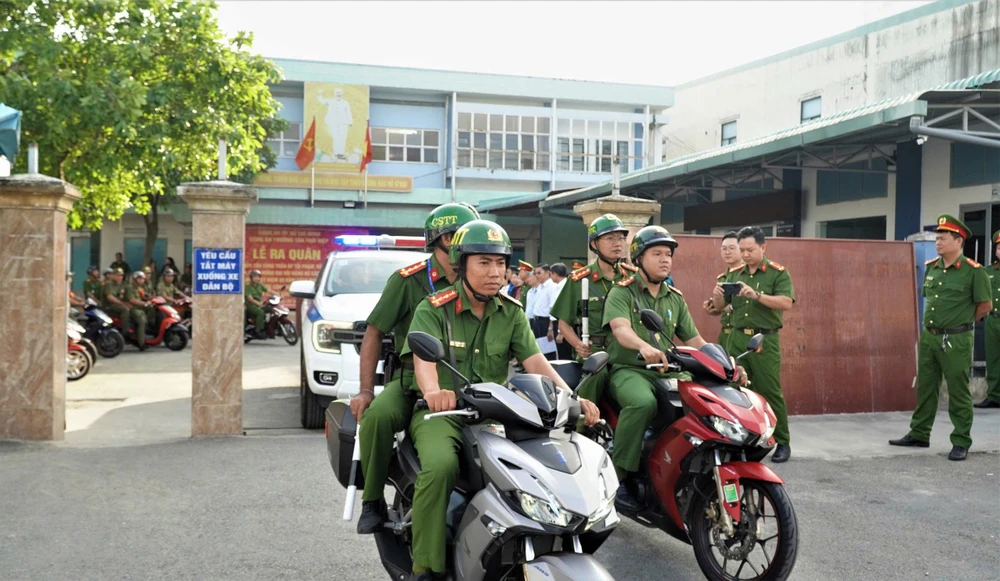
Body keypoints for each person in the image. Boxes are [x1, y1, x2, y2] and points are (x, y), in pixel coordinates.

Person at [399, 219, 600, 580]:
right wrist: (434, 393)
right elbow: (424, 365)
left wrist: (571, 397)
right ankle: (426, 566)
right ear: (461, 265)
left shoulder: (511, 311)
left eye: (500, 263)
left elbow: (535, 361)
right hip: (442, 415)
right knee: (442, 466)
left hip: (495, 413)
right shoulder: (433, 308)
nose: (495, 273)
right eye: (484, 263)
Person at [351, 202, 480, 535]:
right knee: (377, 417)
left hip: (466, 381)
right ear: (436, 240)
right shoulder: (407, 281)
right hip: (411, 379)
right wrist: (366, 389)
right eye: (454, 237)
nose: (462, 244)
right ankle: (372, 499)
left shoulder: (480, 278)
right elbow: (374, 334)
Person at [603, 225, 716, 508]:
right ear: (638, 258)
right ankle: (622, 476)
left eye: (668, 254)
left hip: (670, 369)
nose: (665, 259)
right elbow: (620, 329)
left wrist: (723, 363)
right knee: (642, 404)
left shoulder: (674, 298)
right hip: (631, 369)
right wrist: (642, 346)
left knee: (705, 403)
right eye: (657, 254)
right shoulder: (622, 292)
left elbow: (695, 339)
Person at [890, 215, 992, 460]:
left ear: (959, 241)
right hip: (930, 337)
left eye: (943, 238)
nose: (938, 242)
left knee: (958, 391)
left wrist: (962, 323)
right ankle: (919, 433)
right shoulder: (931, 267)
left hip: (956, 339)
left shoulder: (973, 271)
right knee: (926, 387)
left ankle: (961, 440)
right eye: (936, 238)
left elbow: (985, 306)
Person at [720, 226, 795, 463]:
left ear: (763, 247)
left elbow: (786, 302)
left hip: (764, 340)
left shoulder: (777, 273)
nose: (745, 254)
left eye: (750, 249)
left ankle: (782, 441)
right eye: (741, 250)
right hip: (737, 338)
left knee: (769, 389)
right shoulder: (735, 273)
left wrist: (757, 296)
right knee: (735, 390)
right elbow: (722, 306)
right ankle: (740, 440)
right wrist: (716, 297)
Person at [550, 214, 636, 403]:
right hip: (596, 349)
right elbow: (563, 323)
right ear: (595, 244)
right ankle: (584, 421)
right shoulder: (579, 280)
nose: (618, 243)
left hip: (628, 349)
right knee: (597, 376)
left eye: (621, 238)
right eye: (610, 238)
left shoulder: (633, 278)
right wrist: (578, 345)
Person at [704, 231, 744, 345]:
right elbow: (723, 307)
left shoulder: (748, 275)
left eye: (732, 248)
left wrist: (729, 307)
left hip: (742, 335)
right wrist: (714, 307)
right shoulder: (723, 278)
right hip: (725, 335)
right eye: (724, 248)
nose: (727, 252)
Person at [978, 229, 1000, 409]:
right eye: (999, 247)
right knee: (993, 359)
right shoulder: (988, 271)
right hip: (993, 320)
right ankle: (994, 396)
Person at [530, 264, 558, 359]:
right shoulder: (540, 287)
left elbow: (553, 308)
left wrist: (550, 328)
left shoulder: (552, 286)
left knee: (548, 351)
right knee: (539, 350)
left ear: (548, 273)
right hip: (537, 321)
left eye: (539, 273)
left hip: (545, 322)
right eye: (535, 273)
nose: (537, 275)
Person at [548, 263, 572, 360]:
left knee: (565, 354)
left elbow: (565, 310)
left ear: (554, 274)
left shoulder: (566, 286)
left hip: (563, 324)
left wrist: (561, 332)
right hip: (556, 323)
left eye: (551, 274)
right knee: (560, 354)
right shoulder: (556, 286)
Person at [124, 271, 152, 350]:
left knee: (153, 310)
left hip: (139, 307)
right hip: (132, 308)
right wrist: (144, 303)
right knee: (141, 321)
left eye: (143, 279)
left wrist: (150, 298)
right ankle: (141, 343)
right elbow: (131, 300)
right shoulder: (130, 287)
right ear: (135, 279)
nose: (142, 280)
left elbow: (144, 296)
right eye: (140, 279)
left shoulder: (139, 288)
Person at [102, 268, 131, 341]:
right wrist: (122, 303)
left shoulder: (123, 284)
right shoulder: (109, 284)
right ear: (113, 276)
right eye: (117, 275)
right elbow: (110, 297)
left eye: (121, 275)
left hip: (118, 305)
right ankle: (125, 331)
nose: (120, 277)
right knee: (125, 310)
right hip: (108, 306)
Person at [245, 270, 270, 340]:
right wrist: (258, 304)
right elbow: (250, 299)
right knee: (260, 312)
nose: (257, 278)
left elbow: (269, 291)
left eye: (258, 277)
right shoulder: (248, 286)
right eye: (255, 276)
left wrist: (279, 295)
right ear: (251, 278)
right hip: (251, 306)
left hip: (259, 304)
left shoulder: (260, 285)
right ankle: (258, 330)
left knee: (270, 308)